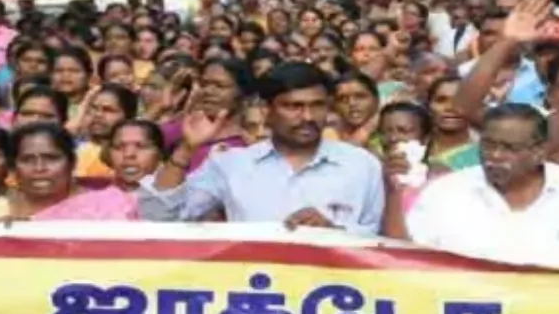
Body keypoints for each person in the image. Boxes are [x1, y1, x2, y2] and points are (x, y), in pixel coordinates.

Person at [137, 61, 384, 231]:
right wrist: (185, 149)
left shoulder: (362, 165)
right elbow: (160, 217)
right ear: (267, 111)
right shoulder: (231, 165)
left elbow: (382, 242)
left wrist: (334, 232)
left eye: (317, 106)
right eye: (293, 106)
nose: (308, 117)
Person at [394, 103, 559, 271]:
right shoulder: (444, 193)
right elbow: (410, 261)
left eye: (509, 148)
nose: (495, 156)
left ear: (539, 151)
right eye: (488, 145)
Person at [36, 119, 163, 220]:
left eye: (141, 146)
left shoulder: (173, 200)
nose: (129, 154)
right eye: (119, 147)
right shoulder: (87, 203)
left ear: (160, 154)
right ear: (108, 153)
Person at [159, 57, 251, 172]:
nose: (208, 91)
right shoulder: (185, 128)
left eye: (220, 86)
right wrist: (163, 109)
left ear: (242, 94)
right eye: (204, 84)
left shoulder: (245, 147)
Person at [74, 83, 137, 179]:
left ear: (128, 118)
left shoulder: (135, 156)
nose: (98, 114)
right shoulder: (74, 149)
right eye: (94, 108)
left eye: (108, 110)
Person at [423, 76, 479, 171]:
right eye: (441, 100)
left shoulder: (485, 154)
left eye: (460, 100)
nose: (450, 107)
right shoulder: (413, 147)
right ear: (428, 106)